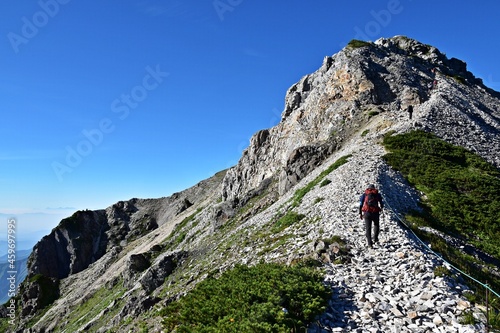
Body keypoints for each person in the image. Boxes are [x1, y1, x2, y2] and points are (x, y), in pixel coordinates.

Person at [359, 184, 384, 248]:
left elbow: (361, 204)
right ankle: (375, 238)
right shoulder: (377, 194)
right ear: (374, 188)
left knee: (368, 228)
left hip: (367, 213)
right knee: (376, 225)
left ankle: (370, 244)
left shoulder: (365, 194)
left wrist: (360, 213)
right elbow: (381, 203)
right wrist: (381, 208)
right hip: (375, 212)